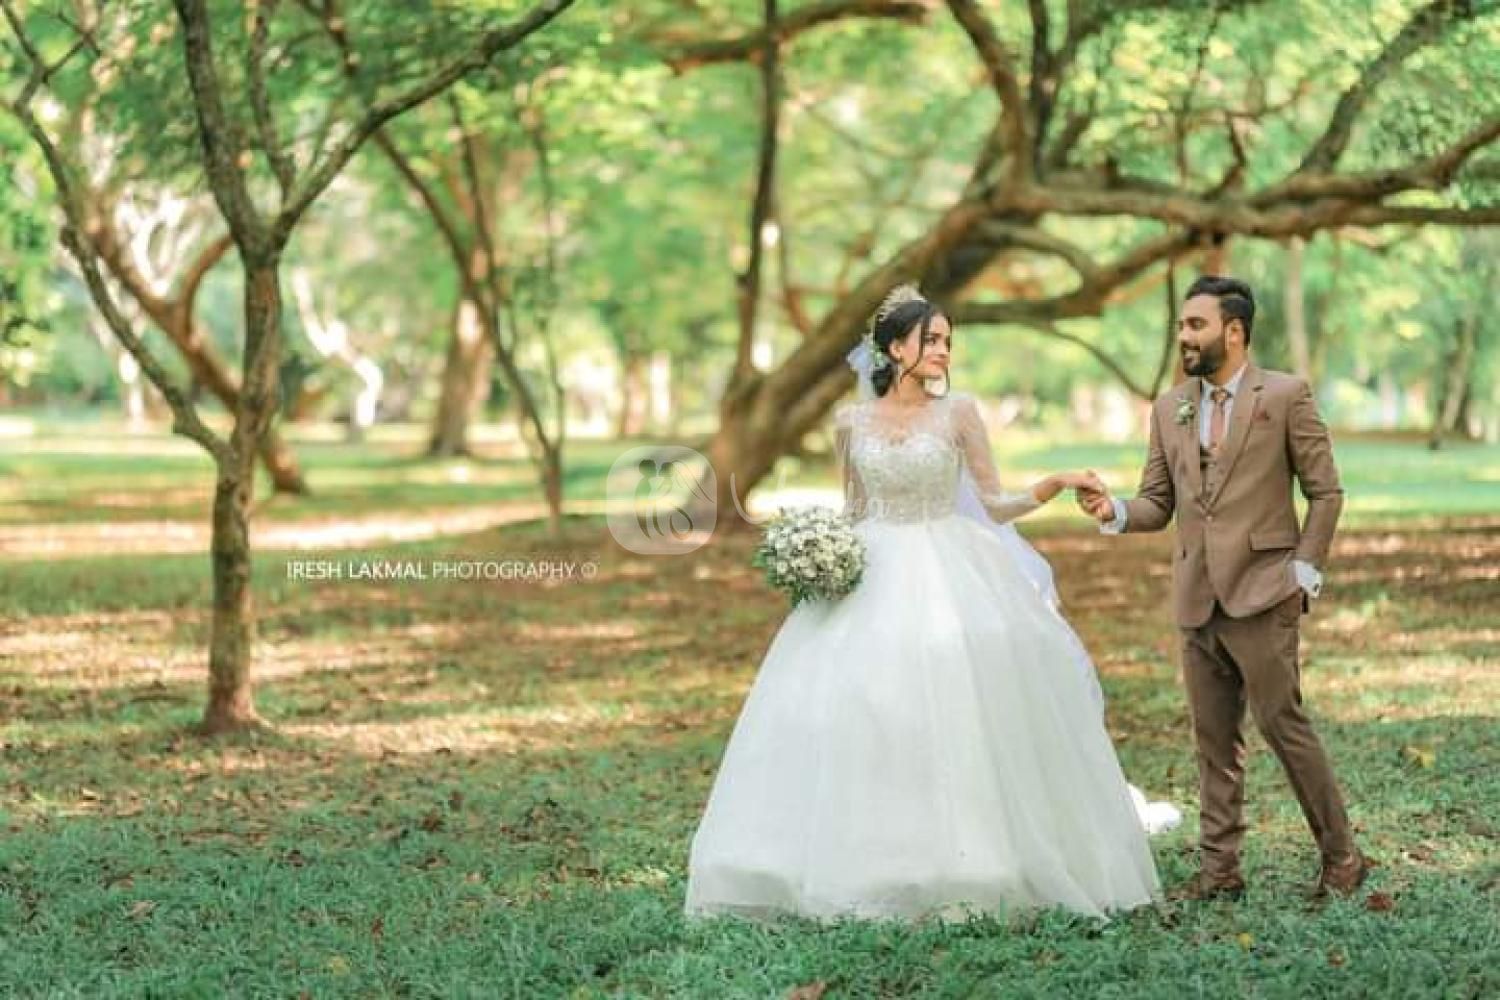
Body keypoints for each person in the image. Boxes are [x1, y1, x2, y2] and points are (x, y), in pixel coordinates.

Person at [683, 284, 1169, 924]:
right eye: (931, 339)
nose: (943, 351)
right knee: (865, 704)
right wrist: (820, 553)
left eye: (947, 341)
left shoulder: (959, 413)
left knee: (957, 695)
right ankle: (863, 859)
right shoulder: (850, 422)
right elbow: (855, 508)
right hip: (873, 567)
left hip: (952, 564)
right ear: (895, 348)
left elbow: (994, 505)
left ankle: (974, 861)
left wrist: (1054, 483)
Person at [1077, 275, 1370, 902]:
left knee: (1283, 726)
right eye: (1182, 324)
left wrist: (1303, 571)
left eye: (1196, 325)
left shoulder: (1285, 395)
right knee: (1213, 743)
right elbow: (1158, 501)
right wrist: (1115, 511)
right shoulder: (1169, 407)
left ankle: (1343, 857)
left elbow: (1326, 493)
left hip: (1264, 592)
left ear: (1233, 332)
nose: (1183, 335)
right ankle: (1220, 873)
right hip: (1195, 597)